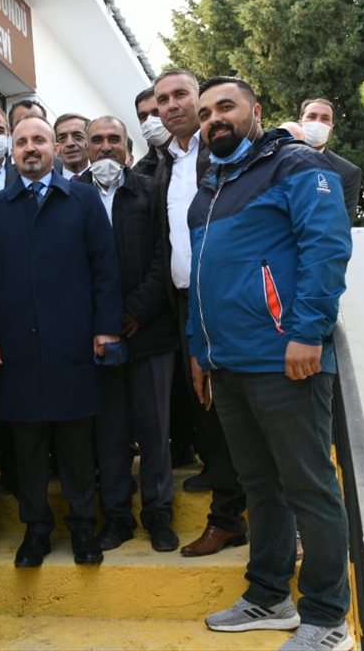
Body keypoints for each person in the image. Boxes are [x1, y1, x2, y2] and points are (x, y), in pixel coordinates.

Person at [187, 77, 353, 651]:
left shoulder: (296, 163)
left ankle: (327, 618)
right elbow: (201, 278)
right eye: (205, 113)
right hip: (228, 363)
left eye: (225, 106)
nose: (214, 119)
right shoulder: (208, 189)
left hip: (287, 359)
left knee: (310, 488)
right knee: (260, 486)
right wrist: (200, 348)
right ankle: (268, 597)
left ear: (255, 111)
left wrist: (308, 332)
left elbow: (326, 248)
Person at [0, 115, 123, 569]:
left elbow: (105, 267)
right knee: (28, 449)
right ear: (12, 152)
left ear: (54, 148)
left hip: (74, 345)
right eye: (22, 142)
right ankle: (35, 529)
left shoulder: (83, 199)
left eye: (39, 140)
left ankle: (82, 527)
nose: (30, 148)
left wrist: (106, 327)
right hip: (15, 349)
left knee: (76, 445)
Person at [152, 68, 248, 554]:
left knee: (252, 412)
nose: (172, 105)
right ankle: (227, 517)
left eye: (181, 95)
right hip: (187, 304)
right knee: (206, 408)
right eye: (162, 99)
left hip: (238, 298)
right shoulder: (163, 165)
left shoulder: (231, 152)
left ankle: (280, 521)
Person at [80, 116, 179, 553]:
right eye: (97, 139)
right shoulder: (72, 195)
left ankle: (158, 515)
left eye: (114, 139)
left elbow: (166, 253)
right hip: (97, 338)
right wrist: (101, 321)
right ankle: (117, 516)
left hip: (150, 332)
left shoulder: (151, 190)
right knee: (110, 432)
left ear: (128, 147)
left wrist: (135, 310)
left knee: (155, 429)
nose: (106, 147)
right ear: (86, 147)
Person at [298, 98, 361, 225]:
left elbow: (342, 224)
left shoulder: (347, 172)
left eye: (325, 118)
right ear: (300, 123)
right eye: (312, 116)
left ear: (331, 129)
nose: (317, 123)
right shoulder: (276, 161)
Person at [132, 86, 172, 178]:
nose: (149, 121)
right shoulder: (138, 174)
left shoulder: (199, 150)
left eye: (156, 113)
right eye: (143, 116)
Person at [54, 113, 91, 179]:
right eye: (62, 138)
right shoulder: (47, 182)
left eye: (78, 136)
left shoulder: (104, 181)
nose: (70, 143)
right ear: (56, 148)